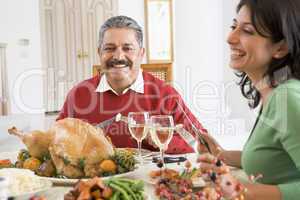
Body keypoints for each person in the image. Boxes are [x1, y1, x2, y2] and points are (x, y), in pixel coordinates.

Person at [57, 15, 206, 154]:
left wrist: (165, 140)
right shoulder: (79, 94)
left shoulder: (166, 94)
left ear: (141, 54)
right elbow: (56, 140)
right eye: (109, 48)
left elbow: (201, 146)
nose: (118, 56)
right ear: (99, 53)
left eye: (127, 48)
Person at [197, 0, 300, 199]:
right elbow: (276, 160)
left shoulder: (288, 98)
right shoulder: (274, 92)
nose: (230, 38)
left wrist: (240, 190)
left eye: (247, 30)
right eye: (234, 26)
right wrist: (222, 155)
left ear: (281, 47)